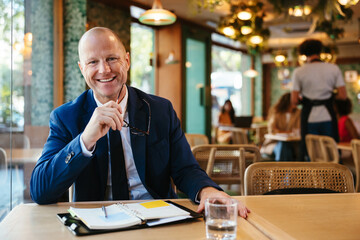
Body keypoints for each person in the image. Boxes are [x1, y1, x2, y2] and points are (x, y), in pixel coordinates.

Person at [29, 27, 249, 218]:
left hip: (159, 219)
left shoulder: (161, 110)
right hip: (96, 225)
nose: (104, 69)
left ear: (127, 60)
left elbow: (185, 169)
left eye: (111, 59)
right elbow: (40, 190)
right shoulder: (65, 117)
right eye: (93, 62)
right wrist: (85, 140)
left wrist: (208, 191)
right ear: (82, 68)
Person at [291, 39, 347, 160]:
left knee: (311, 154)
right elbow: (343, 95)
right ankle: (333, 178)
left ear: (304, 54)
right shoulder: (333, 68)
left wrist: (305, 100)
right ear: (320, 51)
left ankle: (313, 178)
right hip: (328, 116)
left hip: (309, 118)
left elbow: (294, 100)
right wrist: (330, 97)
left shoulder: (299, 72)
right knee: (331, 153)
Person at [261, 93, 301, 160]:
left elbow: (297, 128)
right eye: (294, 100)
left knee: (286, 147)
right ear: (288, 101)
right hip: (275, 142)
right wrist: (288, 132)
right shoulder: (277, 112)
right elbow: (272, 129)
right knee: (283, 146)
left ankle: (281, 169)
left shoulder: (298, 113)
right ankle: (286, 169)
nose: (296, 102)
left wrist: (280, 131)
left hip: (293, 143)